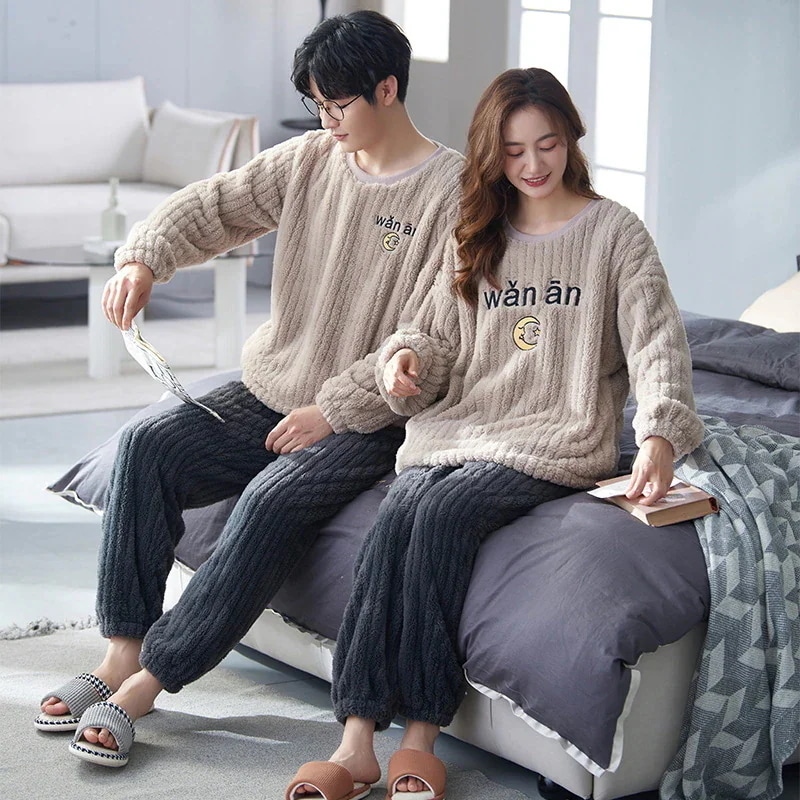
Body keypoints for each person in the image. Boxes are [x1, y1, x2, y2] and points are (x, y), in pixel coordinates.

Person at [34, 10, 464, 775]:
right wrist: (143, 259)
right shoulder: (308, 160)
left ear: (387, 89)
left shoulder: (453, 192)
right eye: (316, 106)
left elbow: (435, 333)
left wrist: (334, 410)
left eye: (338, 104)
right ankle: (120, 651)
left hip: (369, 418)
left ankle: (146, 685)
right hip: (272, 386)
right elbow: (215, 204)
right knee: (147, 443)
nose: (326, 121)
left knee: (271, 499)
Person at [286, 67, 704, 800]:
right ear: (492, 154)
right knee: (399, 513)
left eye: (547, 144)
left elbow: (656, 344)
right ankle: (354, 740)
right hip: (460, 425)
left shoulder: (615, 234)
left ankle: (419, 738)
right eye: (514, 152)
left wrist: (660, 435)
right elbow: (429, 334)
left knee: (441, 514)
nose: (533, 165)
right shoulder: (478, 231)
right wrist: (405, 361)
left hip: (554, 438)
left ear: (571, 138)